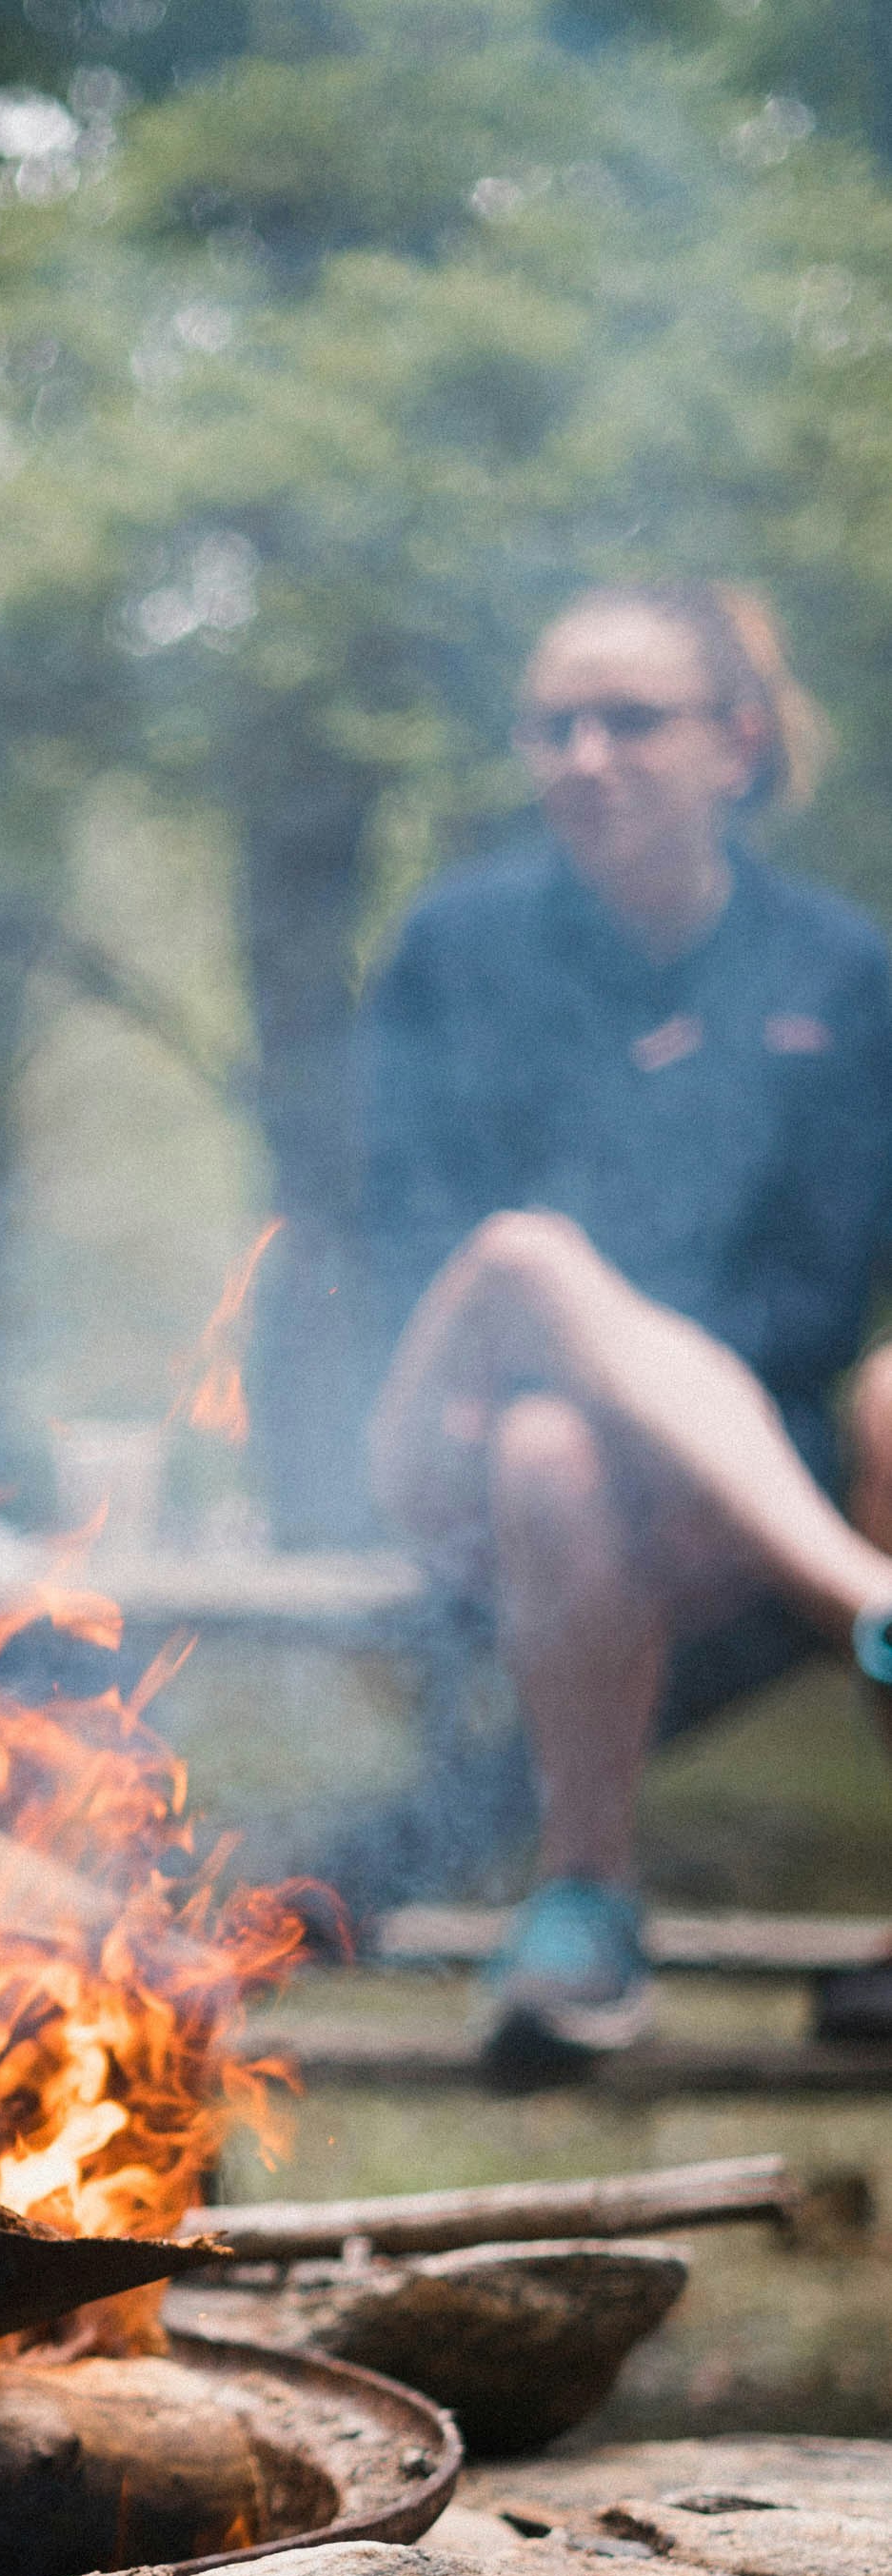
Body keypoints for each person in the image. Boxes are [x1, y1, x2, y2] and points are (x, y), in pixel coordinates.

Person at [358, 581, 892, 2082]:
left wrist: (664, 1418)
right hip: (452, 1433)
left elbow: (818, 1295)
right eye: (553, 725)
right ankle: (866, 1597)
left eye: (629, 720)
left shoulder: (835, 973)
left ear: (734, 744)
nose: (583, 755)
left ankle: (583, 1929)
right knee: (531, 1293)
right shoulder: (455, 946)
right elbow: (408, 1244)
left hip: (701, 1483)